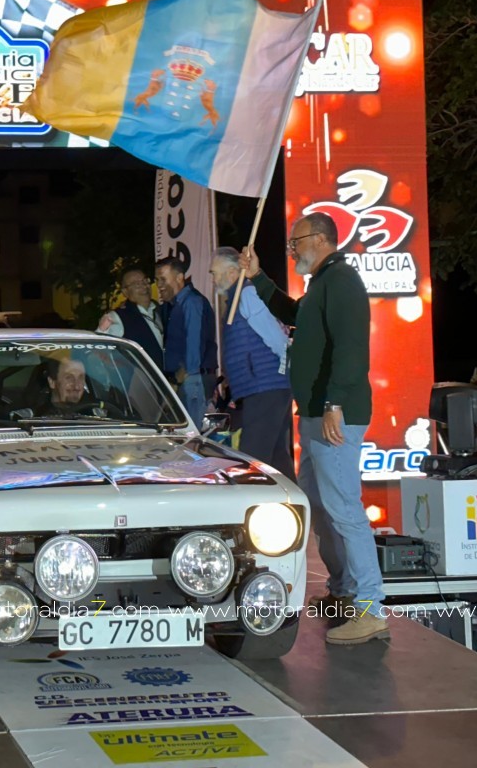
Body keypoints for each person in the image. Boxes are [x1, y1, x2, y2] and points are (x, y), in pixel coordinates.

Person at [241, 212, 387, 645]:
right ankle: (345, 592)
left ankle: (370, 608)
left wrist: (335, 404)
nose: (291, 249)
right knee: (322, 509)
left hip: (332, 416)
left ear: (321, 239)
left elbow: (350, 349)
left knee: (344, 510)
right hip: (318, 414)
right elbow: (293, 313)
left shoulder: (340, 282)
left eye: (295, 241)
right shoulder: (323, 284)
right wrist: (259, 277)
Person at [208, 248, 294, 478]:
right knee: (275, 458)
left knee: (254, 457)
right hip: (265, 386)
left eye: (216, 273)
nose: (214, 279)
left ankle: (254, 507)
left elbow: (275, 335)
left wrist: (284, 367)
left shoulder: (247, 295)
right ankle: (295, 507)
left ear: (233, 272)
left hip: (265, 387)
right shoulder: (239, 297)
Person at [155, 257, 218, 430]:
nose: (159, 285)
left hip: (192, 380)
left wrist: (180, 377)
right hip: (188, 379)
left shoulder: (191, 302)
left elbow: (194, 344)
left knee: (191, 436)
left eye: (163, 279)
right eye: (157, 280)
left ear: (179, 277)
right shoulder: (174, 305)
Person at [97, 267, 164, 368]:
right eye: (137, 284)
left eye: (145, 281)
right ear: (125, 291)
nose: (144, 286)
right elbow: (98, 350)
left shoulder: (160, 310)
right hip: (138, 380)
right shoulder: (117, 317)